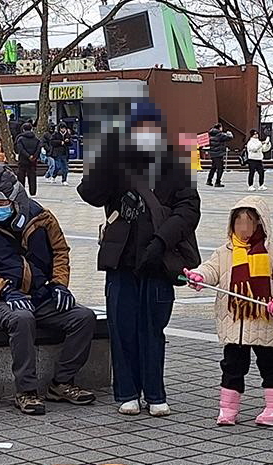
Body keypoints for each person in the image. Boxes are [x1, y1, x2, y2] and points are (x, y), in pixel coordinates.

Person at [78, 101, 201, 416]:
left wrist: (162, 241)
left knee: (152, 327)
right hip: (121, 260)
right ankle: (127, 391)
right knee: (122, 326)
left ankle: (155, 392)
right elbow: (89, 193)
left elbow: (189, 208)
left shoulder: (175, 164)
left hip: (159, 260)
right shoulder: (117, 161)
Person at [0, 164, 97, 415]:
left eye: (1, 202)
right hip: (2, 299)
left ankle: (62, 383)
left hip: (42, 295)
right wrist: (4, 291)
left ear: (14, 198)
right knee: (22, 320)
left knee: (84, 318)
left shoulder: (42, 218)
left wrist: (59, 285)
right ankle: (26, 391)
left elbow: (60, 252)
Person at [184, 197, 273, 426]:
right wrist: (199, 276)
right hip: (234, 321)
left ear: (260, 225)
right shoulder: (224, 252)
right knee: (232, 364)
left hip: (266, 320)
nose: (243, 229)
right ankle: (228, 408)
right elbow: (210, 269)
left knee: (270, 363)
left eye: (249, 224)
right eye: (239, 224)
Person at [13, 122, 41, 196]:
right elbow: (39, 149)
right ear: (31, 129)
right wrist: (33, 156)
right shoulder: (36, 139)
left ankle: (21, 191)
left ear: (23, 130)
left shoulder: (20, 139)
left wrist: (28, 156)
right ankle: (33, 192)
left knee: (21, 176)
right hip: (33, 161)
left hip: (23, 160)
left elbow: (20, 149)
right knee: (32, 176)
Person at [205, 123, 233, 187]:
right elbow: (230, 137)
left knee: (213, 168)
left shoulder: (211, 134)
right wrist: (229, 133)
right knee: (220, 168)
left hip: (213, 153)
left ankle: (209, 180)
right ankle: (217, 182)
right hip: (219, 154)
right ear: (219, 128)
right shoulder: (220, 134)